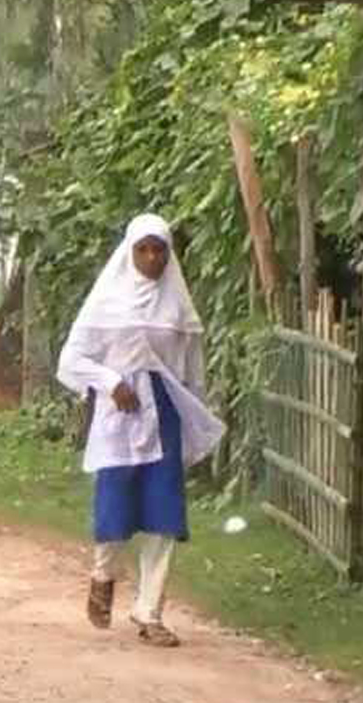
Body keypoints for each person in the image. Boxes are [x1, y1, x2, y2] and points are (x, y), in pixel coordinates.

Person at [56, 213, 225, 648]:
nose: (151, 258)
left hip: (165, 414)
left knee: (164, 513)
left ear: (169, 254)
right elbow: (71, 360)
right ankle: (103, 572)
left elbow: (191, 373)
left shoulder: (176, 308)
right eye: (143, 249)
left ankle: (150, 610)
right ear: (129, 252)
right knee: (115, 501)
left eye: (159, 250)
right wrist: (111, 382)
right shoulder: (106, 303)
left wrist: (193, 419)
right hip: (120, 416)